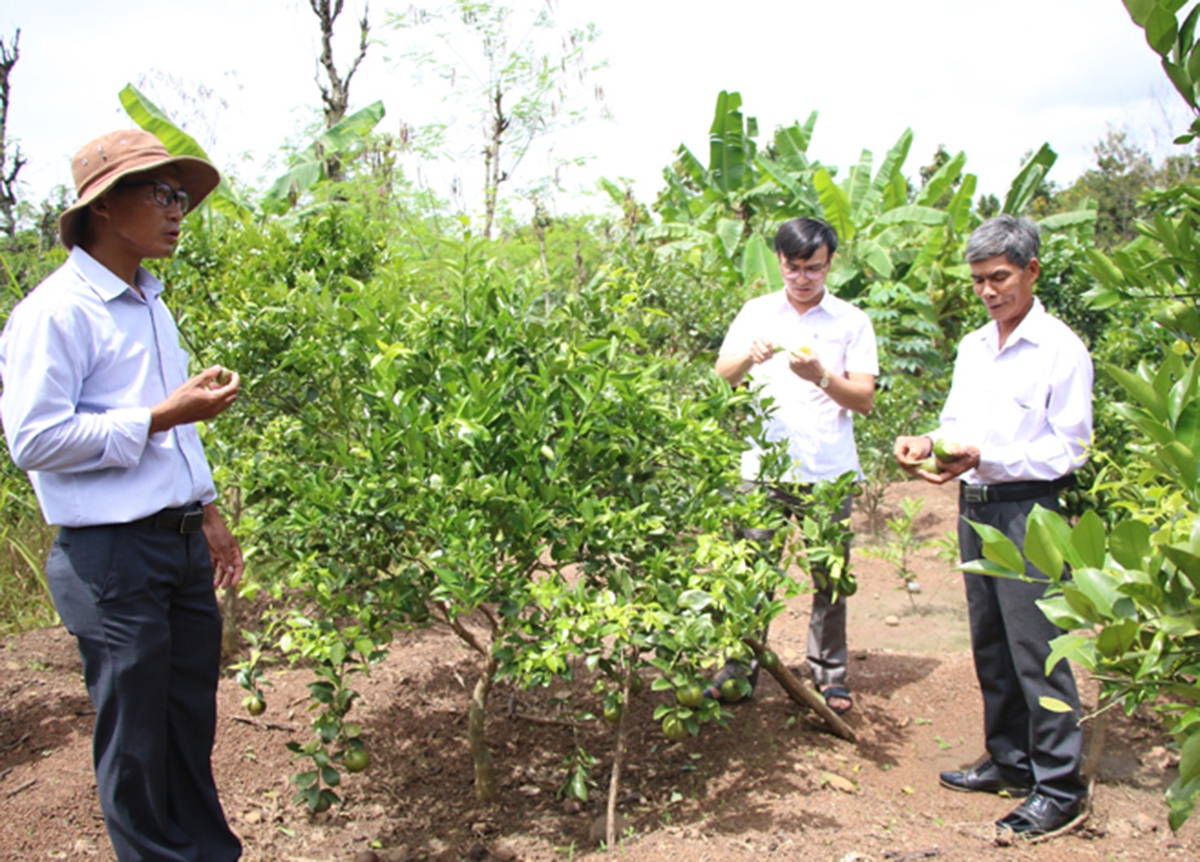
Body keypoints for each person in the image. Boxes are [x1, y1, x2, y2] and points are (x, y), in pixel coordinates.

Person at [0, 130, 244, 862]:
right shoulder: (56, 313)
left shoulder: (149, 304)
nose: (177, 212)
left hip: (173, 545)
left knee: (185, 724)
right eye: (161, 194)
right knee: (135, 742)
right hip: (110, 557)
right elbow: (34, 440)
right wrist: (163, 416)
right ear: (105, 207)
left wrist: (205, 508)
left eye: (181, 197)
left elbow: (171, 426)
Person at [893, 215, 1092, 838]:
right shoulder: (975, 346)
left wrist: (991, 459)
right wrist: (929, 442)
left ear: (1031, 271)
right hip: (977, 503)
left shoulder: (1061, 348)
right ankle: (1009, 760)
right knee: (992, 641)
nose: (987, 291)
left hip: (1032, 507)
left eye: (999, 277)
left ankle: (1059, 786)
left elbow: (1071, 450)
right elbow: (960, 418)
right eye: (978, 280)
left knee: (1037, 647)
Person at [714, 217, 878, 714]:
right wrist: (748, 355)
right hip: (763, 469)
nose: (803, 278)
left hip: (828, 471)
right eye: (793, 268)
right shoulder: (756, 312)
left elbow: (865, 398)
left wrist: (822, 377)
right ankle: (739, 670)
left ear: (831, 263)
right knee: (751, 572)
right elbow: (723, 376)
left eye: (814, 268)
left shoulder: (852, 321)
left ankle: (830, 674)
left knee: (829, 576)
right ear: (779, 263)